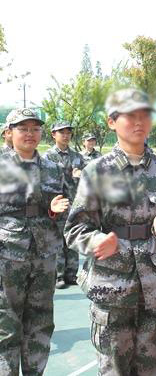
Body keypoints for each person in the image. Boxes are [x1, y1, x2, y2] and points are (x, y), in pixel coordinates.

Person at [65, 88, 156, 375]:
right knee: (115, 369)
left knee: (153, 368)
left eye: (144, 115)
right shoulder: (97, 171)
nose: (138, 122)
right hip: (112, 287)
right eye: (130, 115)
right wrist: (97, 240)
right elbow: (75, 229)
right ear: (112, 122)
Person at [0, 108, 69, 376]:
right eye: (23, 128)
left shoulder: (53, 168)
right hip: (7, 255)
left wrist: (55, 211)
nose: (30, 134)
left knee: (40, 323)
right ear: (9, 133)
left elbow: (66, 207)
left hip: (44, 255)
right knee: (6, 324)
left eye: (35, 128)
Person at [43, 122, 86, 289]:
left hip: (75, 204)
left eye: (68, 132)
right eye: (62, 132)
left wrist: (81, 175)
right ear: (53, 134)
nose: (66, 135)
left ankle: (71, 274)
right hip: (58, 204)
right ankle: (59, 275)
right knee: (58, 240)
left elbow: (87, 178)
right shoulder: (48, 157)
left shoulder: (77, 156)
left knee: (73, 238)